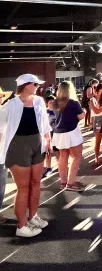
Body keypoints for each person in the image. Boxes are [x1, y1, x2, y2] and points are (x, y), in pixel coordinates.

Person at [0, 74, 52, 237]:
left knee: (36, 182)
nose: (37, 86)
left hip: (37, 144)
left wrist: (48, 140)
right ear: (25, 85)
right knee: (23, 188)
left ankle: (33, 216)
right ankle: (21, 226)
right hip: (17, 146)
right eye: (35, 84)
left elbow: (44, 123)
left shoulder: (39, 101)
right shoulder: (10, 104)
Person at [53, 81, 85, 192]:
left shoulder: (55, 102)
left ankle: (63, 182)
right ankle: (70, 184)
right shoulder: (73, 103)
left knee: (63, 156)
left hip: (59, 132)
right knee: (76, 157)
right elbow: (81, 117)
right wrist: (84, 112)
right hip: (71, 132)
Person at [0, 87, 13, 225]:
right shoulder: (2, 112)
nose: (1, 98)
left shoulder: (3, 111)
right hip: (0, 155)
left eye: (2, 96)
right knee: (0, 185)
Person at [42, 95, 57, 179]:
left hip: (57, 134)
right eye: (50, 102)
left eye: (53, 102)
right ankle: (48, 167)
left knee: (59, 152)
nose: (52, 104)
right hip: (48, 135)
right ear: (47, 104)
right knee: (48, 152)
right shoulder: (44, 112)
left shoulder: (57, 111)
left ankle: (61, 164)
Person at [90, 82, 102, 166]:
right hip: (98, 120)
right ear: (98, 90)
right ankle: (96, 156)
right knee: (98, 140)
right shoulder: (92, 100)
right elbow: (96, 111)